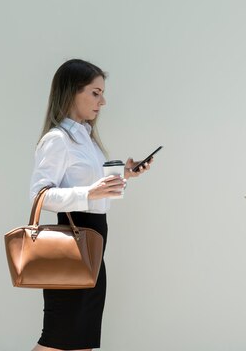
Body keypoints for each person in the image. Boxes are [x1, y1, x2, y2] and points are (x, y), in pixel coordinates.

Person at [29, 58, 153, 351]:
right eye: (95, 93)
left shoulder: (87, 140)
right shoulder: (58, 139)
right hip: (71, 246)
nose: (103, 101)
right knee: (57, 342)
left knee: (81, 341)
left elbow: (91, 183)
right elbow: (39, 195)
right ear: (73, 91)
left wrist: (125, 173)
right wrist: (90, 193)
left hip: (95, 247)